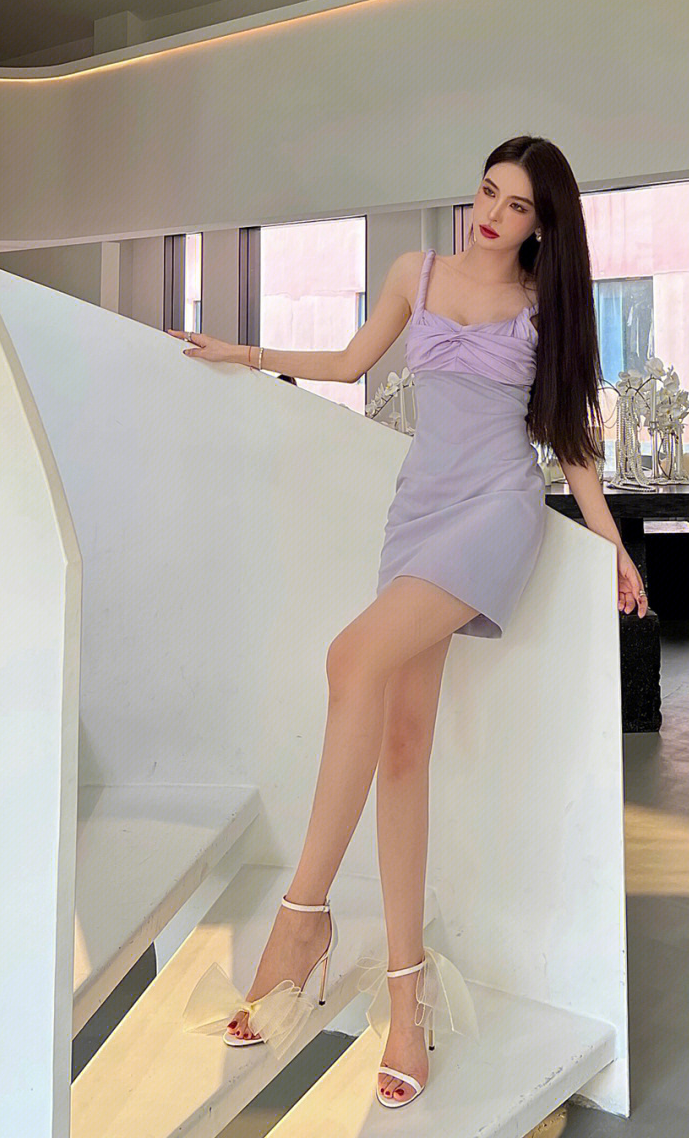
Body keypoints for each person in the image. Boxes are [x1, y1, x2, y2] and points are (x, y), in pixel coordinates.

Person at [166, 135, 647, 1107]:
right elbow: (350, 361)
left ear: (541, 227)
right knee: (400, 748)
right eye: (488, 192)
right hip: (417, 512)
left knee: (351, 658)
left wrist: (613, 545)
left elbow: (570, 441)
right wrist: (243, 353)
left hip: (495, 513)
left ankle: (302, 921)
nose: (492, 215)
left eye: (516, 206)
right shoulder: (413, 274)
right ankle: (407, 997)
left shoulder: (544, 307)